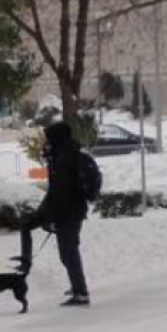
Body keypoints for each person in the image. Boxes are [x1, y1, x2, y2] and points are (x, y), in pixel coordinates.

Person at [17, 122, 101, 307]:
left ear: (57, 138)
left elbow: (61, 192)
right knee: (67, 252)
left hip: (67, 212)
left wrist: (52, 217)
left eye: (48, 138)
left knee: (69, 252)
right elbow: (56, 191)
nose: (46, 142)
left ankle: (80, 292)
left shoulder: (63, 159)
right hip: (69, 209)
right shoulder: (62, 155)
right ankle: (76, 285)